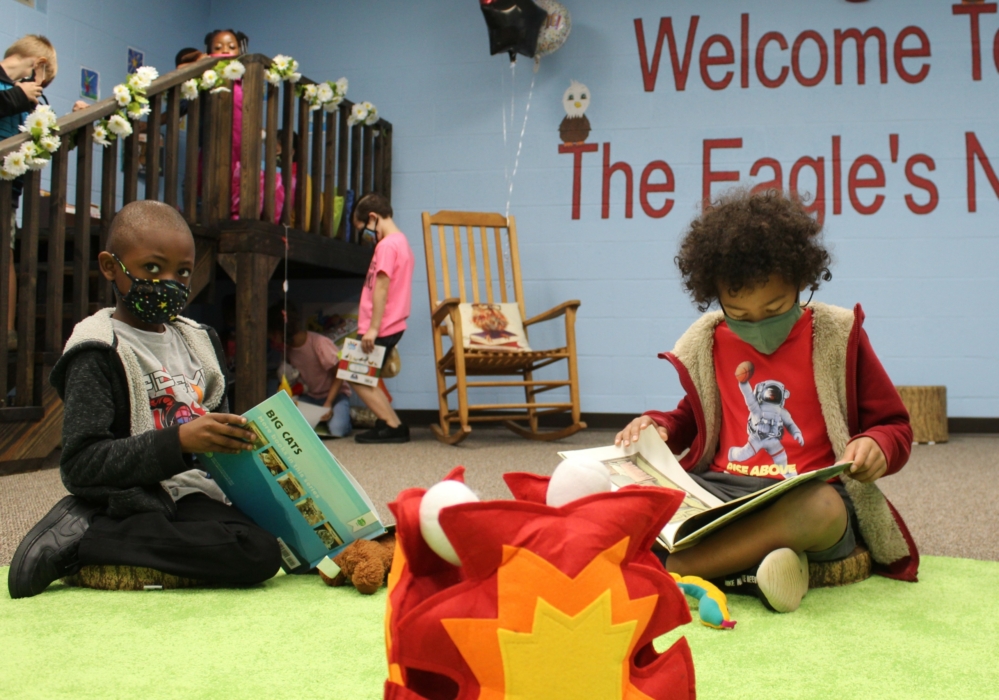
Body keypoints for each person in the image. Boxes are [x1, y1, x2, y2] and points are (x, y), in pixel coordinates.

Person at [615, 188, 918, 613]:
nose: (758, 325)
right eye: (739, 315)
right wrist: (659, 426)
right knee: (614, 488)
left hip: (804, 494)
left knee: (822, 509)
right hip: (722, 493)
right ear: (716, 296)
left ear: (801, 281)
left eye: (775, 308)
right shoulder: (709, 342)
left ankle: (671, 567)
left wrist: (878, 445)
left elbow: (894, 425)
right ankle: (760, 572)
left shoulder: (837, 336)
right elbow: (693, 417)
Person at [6, 200, 281, 599]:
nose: (169, 282)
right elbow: (80, 465)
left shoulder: (201, 341)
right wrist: (179, 442)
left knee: (277, 531)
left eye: (182, 272)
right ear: (110, 266)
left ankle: (119, 533)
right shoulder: (98, 350)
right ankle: (85, 539)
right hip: (135, 495)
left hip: (190, 491)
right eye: (152, 268)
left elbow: (215, 436)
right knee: (256, 552)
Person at [1, 35, 55, 351]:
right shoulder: (16, 93)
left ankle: (6, 331)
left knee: (4, 252)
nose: (38, 87)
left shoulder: (26, 97)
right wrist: (19, 96)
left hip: (8, 188)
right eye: (41, 80)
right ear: (38, 65)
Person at [349, 192, 414, 444]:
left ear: (373, 217)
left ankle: (391, 425)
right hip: (392, 324)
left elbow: (382, 287)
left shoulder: (386, 246)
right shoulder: (402, 242)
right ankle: (393, 424)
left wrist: (373, 328)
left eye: (363, 229)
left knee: (354, 375)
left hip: (382, 326)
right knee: (366, 376)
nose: (366, 235)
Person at [267, 302, 352, 438]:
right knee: (290, 425)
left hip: (335, 396)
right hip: (310, 397)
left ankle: (343, 415)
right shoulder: (287, 350)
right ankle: (323, 420)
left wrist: (329, 403)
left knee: (337, 430)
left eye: (272, 336)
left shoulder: (319, 343)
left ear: (279, 333)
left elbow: (340, 374)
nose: (271, 340)